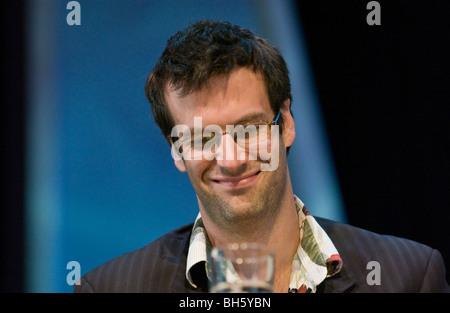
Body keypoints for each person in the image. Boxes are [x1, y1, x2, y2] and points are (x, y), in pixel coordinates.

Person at [75, 20, 449, 293]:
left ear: (285, 122)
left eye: (249, 129)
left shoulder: (407, 276)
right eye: (202, 138)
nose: (232, 159)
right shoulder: (111, 288)